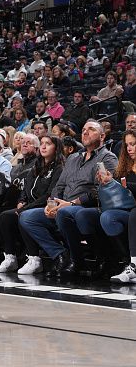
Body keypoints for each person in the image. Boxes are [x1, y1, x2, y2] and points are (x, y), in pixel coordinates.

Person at [19, 120, 118, 278]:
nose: (85, 132)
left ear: (102, 136)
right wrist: (51, 205)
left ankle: (76, 260)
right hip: (63, 207)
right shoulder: (73, 158)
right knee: (27, 217)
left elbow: (101, 191)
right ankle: (60, 254)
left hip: (87, 208)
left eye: (91, 129)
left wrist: (72, 203)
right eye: (84, 129)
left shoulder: (107, 158)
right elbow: (59, 186)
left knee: (67, 213)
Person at [0, 135, 65, 274]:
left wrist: (25, 208)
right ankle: (10, 257)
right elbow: (26, 189)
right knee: (5, 216)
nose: (43, 146)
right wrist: (21, 201)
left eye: (48, 144)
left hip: (46, 207)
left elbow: (49, 195)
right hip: (29, 206)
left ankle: (34, 259)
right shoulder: (36, 167)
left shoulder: (59, 169)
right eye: (42, 143)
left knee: (24, 216)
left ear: (56, 148)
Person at [99, 130, 136, 283]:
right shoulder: (123, 167)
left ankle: (134, 265)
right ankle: (127, 261)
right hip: (127, 209)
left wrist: (128, 186)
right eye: (127, 145)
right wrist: (109, 181)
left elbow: (128, 187)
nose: (129, 148)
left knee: (135, 214)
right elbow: (119, 190)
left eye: (133, 144)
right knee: (108, 217)